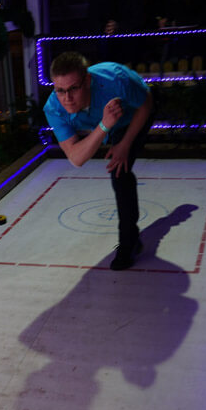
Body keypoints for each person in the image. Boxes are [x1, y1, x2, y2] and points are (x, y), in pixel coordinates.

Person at [43, 51, 154, 270]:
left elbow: (146, 104)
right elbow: (76, 158)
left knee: (119, 171)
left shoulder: (116, 80)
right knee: (116, 163)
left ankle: (129, 242)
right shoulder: (54, 108)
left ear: (87, 81)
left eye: (73, 88)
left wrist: (124, 144)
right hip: (109, 121)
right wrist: (104, 125)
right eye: (60, 90)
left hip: (135, 113)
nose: (67, 98)